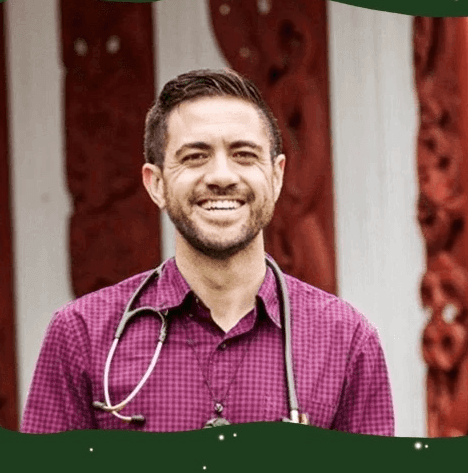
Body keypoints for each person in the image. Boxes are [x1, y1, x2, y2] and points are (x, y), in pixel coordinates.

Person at [21, 69, 395, 435]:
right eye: (195, 156)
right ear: (157, 184)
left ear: (277, 176)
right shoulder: (81, 336)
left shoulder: (346, 342)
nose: (221, 176)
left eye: (244, 155)